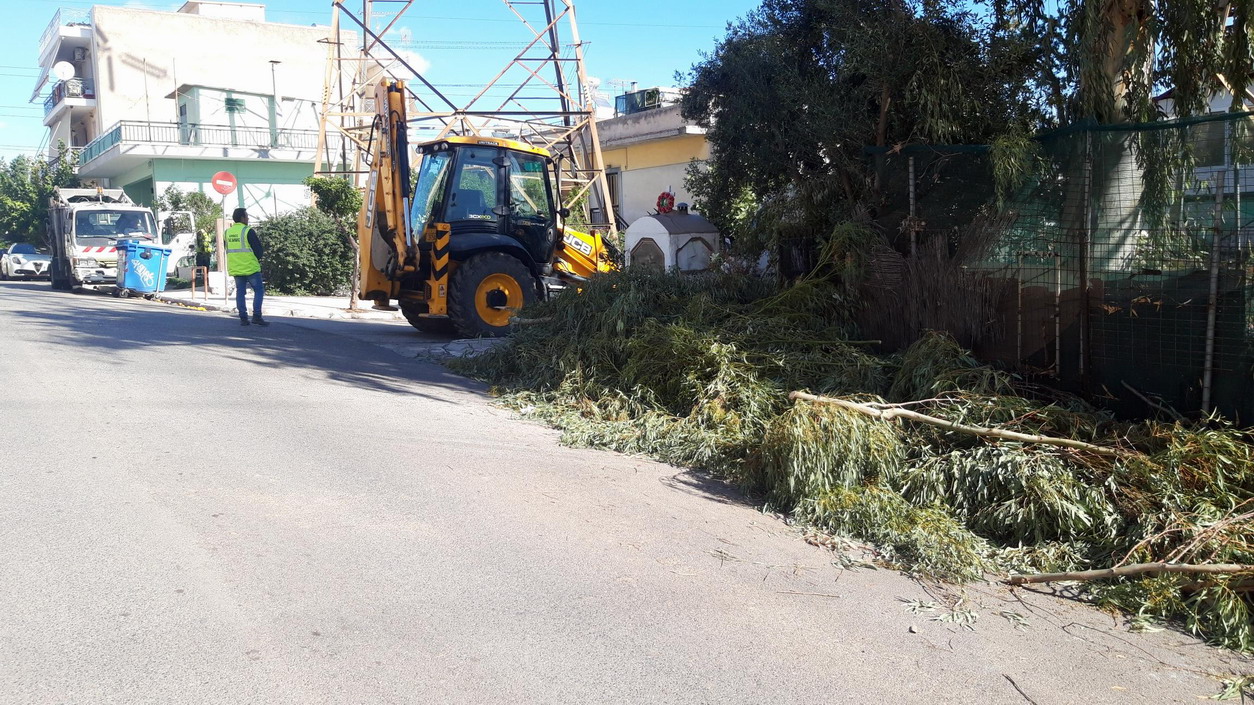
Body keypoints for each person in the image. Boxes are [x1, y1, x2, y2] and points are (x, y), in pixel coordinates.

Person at [223, 208, 269, 327]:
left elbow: (227, 248)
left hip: (236, 268)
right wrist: (257, 259)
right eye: (247, 216)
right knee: (258, 290)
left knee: (240, 292)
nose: (248, 218)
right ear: (242, 218)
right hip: (250, 268)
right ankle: (257, 316)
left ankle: (243, 318)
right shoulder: (248, 231)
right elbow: (258, 250)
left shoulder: (227, 233)